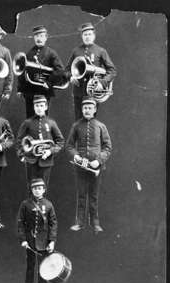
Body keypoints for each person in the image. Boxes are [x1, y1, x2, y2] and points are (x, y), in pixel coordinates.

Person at [65, 96, 112, 233]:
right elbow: (69, 146)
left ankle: (95, 223)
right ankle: (79, 223)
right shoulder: (76, 126)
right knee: (81, 194)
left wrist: (98, 160)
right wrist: (77, 157)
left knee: (94, 195)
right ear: (82, 109)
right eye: (85, 108)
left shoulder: (101, 126)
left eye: (90, 108)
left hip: (96, 167)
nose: (87, 110)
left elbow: (107, 147)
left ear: (95, 109)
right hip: (80, 167)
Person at [17, 178, 57, 283]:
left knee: (43, 269)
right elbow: (20, 223)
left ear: (44, 190)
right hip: (30, 241)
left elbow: (53, 224)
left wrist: (52, 241)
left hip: (44, 242)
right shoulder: (25, 204)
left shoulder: (49, 204)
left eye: (40, 188)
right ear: (32, 190)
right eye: (35, 188)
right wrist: (23, 239)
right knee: (30, 268)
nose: (37, 191)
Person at [65, 22, 117, 120]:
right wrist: (70, 77)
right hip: (78, 92)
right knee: (78, 121)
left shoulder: (101, 51)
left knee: (91, 122)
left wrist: (102, 83)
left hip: (93, 92)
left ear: (94, 35)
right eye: (85, 34)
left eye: (89, 34)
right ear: (82, 36)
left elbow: (112, 70)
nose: (87, 37)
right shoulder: (76, 51)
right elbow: (66, 70)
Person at [16, 25, 66, 118]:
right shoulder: (29, 53)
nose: (39, 39)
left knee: (43, 118)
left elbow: (59, 71)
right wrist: (20, 88)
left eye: (41, 36)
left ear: (46, 37)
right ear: (34, 37)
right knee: (30, 117)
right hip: (30, 91)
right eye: (37, 36)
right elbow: (22, 71)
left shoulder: (51, 53)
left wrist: (49, 82)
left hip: (44, 90)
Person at [16, 95, 64, 189]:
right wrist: (21, 155)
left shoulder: (51, 122)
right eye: (37, 106)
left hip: (46, 161)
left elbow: (60, 141)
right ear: (33, 107)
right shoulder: (27, 123)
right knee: (31, 187)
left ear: (46, 107)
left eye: (41, 106)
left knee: (43, 188)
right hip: (30, 160)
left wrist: (50, 151)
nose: (39, 108)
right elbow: (19, 140)